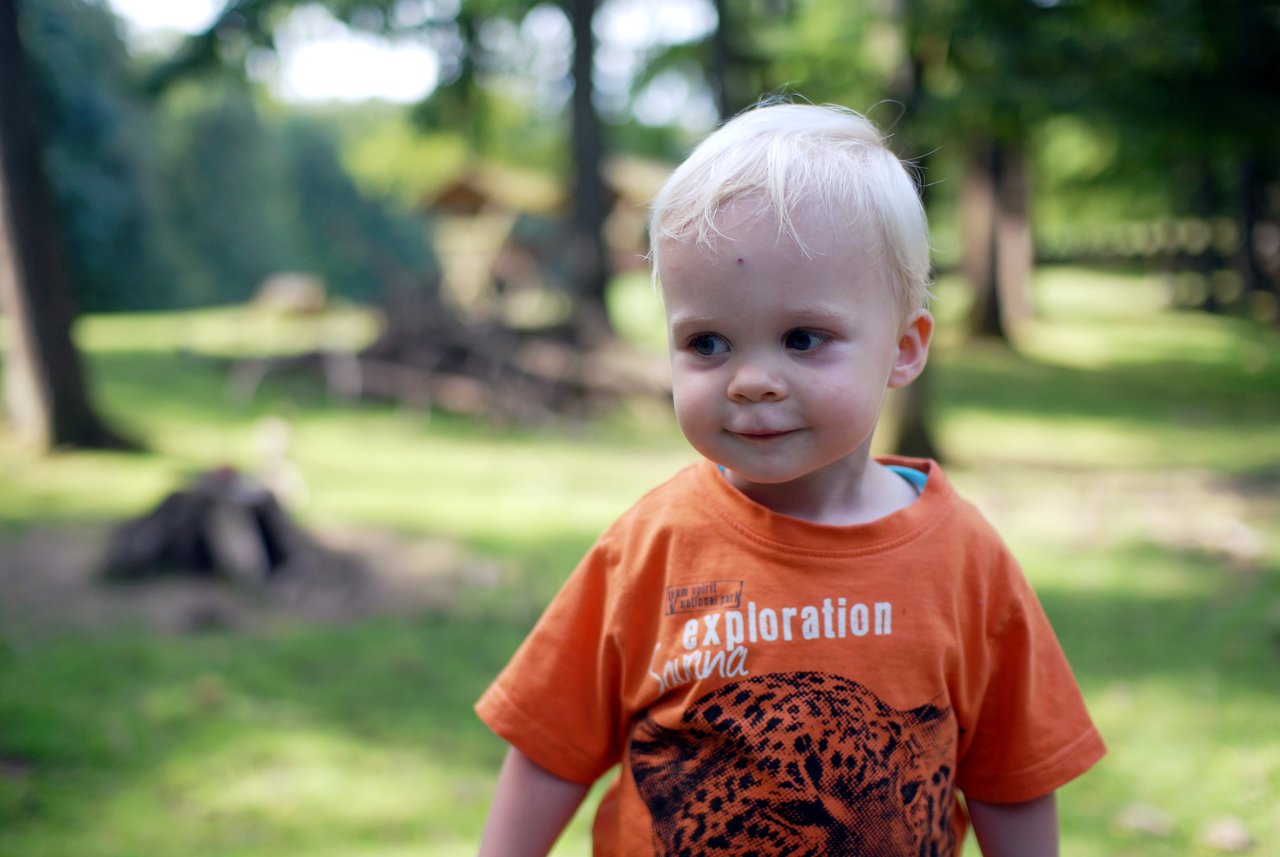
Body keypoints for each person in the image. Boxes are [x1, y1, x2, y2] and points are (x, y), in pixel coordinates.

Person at [475, 100, 1105, 857]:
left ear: (904, 349)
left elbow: (1017, 778)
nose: (751, 380)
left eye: (803, 338)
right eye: (706, 342)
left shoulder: (967, 559)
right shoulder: (650, 546)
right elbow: (548, 749)